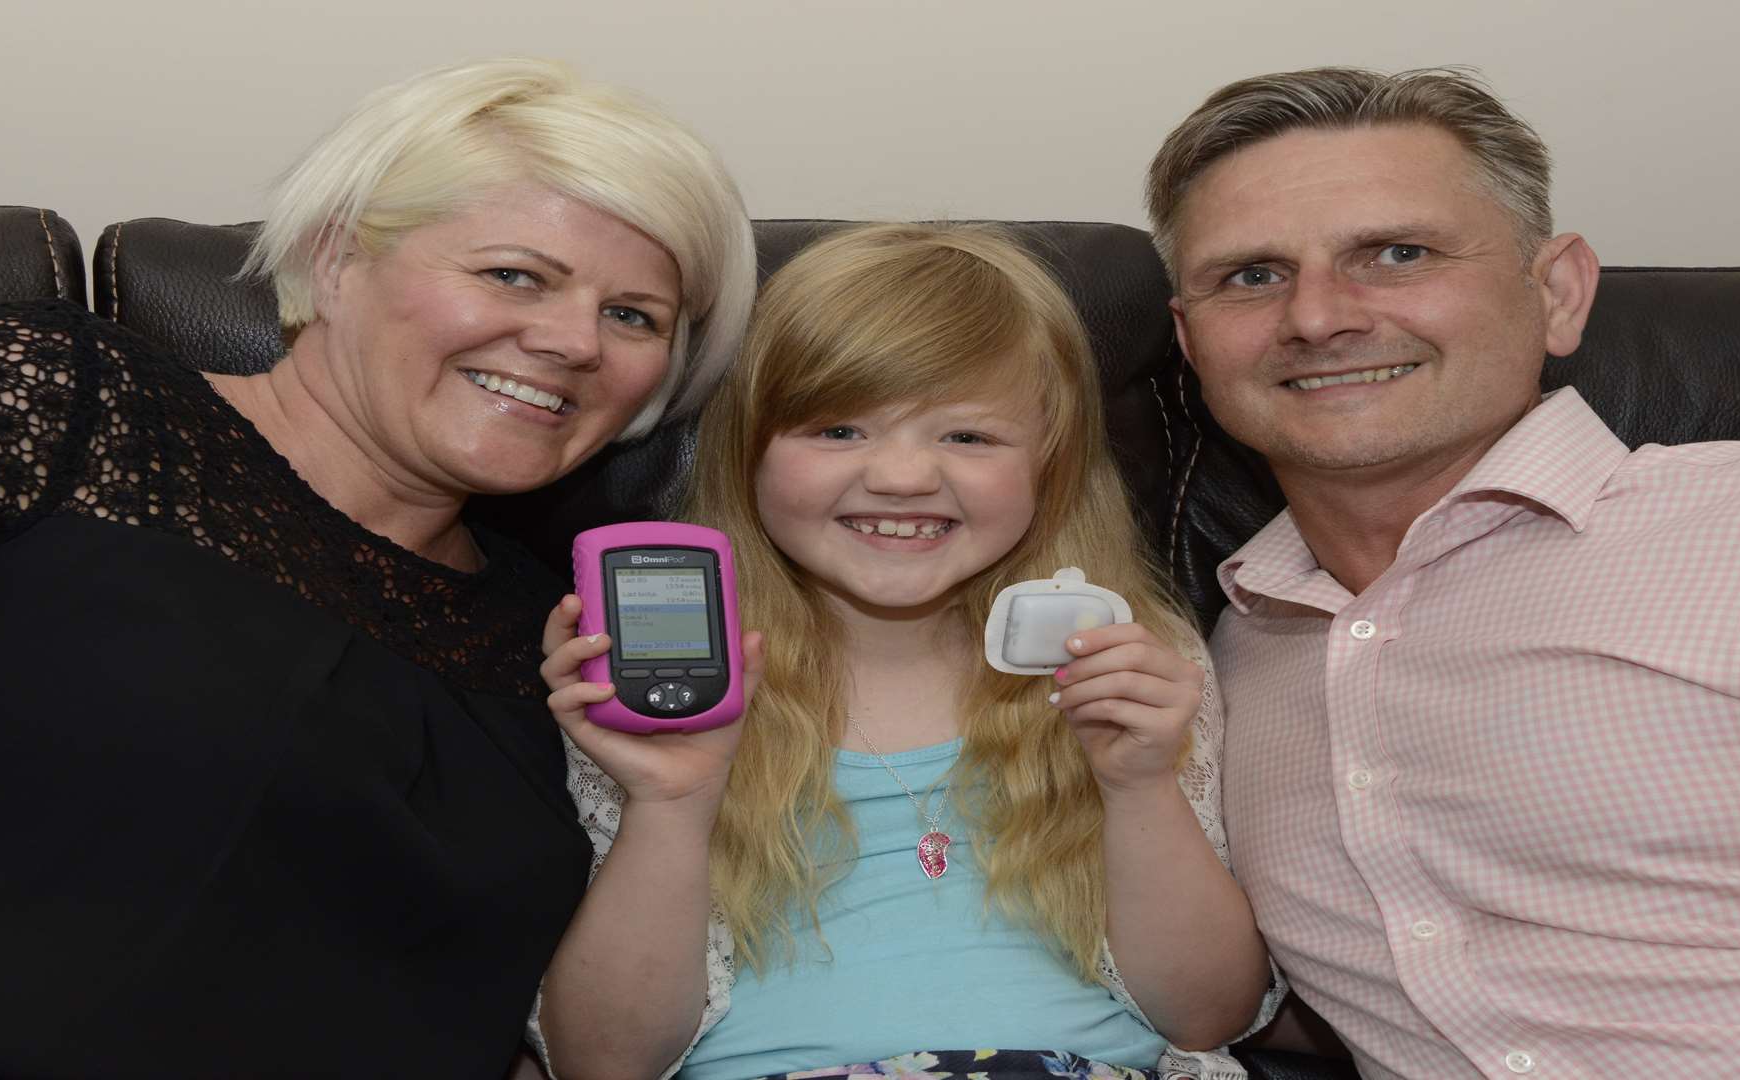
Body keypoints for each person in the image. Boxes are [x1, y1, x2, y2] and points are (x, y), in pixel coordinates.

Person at [0, 57, 753, 1078]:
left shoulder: (572, 641)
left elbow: (596, 1059)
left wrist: (669, 804)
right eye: (514, 274)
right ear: (338, 262)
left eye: (634, 316)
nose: (573, 341)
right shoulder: (69, 404)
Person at [1146, 65, 1740, 1078]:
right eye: (1252, 275)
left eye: (1398, 253)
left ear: (1556, 293)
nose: (1318, 316)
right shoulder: (1218, 669)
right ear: (1190, 341)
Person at [534, 223, 1278, 1080]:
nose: (901, 477)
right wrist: (671, 803)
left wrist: (1140, 785)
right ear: (747, 455)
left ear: (1055, 463)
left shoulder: (1127, 655)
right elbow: (604, 1061)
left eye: (967, 437)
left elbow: (1206, 1015)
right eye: (839, 430)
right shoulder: (660, 668)